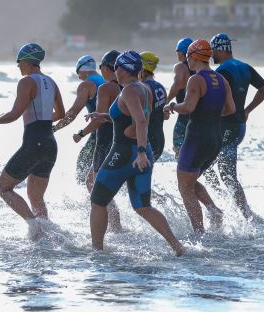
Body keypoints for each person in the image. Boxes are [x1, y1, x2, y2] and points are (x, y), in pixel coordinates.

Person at [89, 51, 184, 255]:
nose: (115, 71)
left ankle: (96, 250)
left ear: (123, 69)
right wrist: (105, 116)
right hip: (143, 151)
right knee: (143, 207)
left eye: (117, 67)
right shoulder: (143, 88)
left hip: (126, 152)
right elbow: (130, 116)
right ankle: (177, 247)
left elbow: (140, 120)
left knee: (97, 201)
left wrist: (139, 152)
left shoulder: (130, 91)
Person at [0, 43, 65, 239]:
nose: (18, 67)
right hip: (50, 143)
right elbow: (61, 114)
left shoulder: (27, 82)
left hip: (34, 142)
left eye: (19, 63)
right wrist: (44, 118)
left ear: (27, 62)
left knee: (3, 188)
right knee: (36, 198)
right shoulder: (51, 82)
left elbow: (14, 113)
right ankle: (45, 235)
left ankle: (34, 225)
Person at [164, 40, 235, 234]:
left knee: (184, 186)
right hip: (215, 139)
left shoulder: (195, 79)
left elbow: (187, 107)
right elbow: (231, 109)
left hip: (196, 137)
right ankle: (214, 211)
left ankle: (199, 233)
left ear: (195, 56)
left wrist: (170, 107)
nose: (187, 59)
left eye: (188, 56)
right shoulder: (221, 79)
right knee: (191, 180)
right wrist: (210, 114)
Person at [204, 33, 264, 219]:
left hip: (226, 127)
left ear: (220, 49)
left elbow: (215, 101)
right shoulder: (245, 67)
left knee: (223, 172)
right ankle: (233, 206)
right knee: (215, 168)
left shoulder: (222, 71)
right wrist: (248, 109)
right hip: (239, 126)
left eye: (213, 51)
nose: (211, 56)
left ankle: (242, 211)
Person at [76, 50, 123, 231]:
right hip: (122, 140)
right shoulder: (128, 87)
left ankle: (113, 227)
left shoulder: (105, 87)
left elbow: (100, 119)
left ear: (104, 68)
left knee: (95, 186)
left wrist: (80, 133)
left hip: (104, 141)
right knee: (95, 182)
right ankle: (115, 225)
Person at [53, 55, 105, 184]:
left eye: (78, 73)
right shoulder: (104, 81)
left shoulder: (87, 84)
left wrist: (55, 128)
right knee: (106, 174)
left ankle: (97, 204)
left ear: (84, 70)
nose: (78, 77)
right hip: (116, 133)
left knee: (82, 171)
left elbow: (72, 113)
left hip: (100, 134)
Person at [166, 37, 194, 159]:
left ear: (181, 52)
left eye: (177, 51)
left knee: (179, 148)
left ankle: (183, 175)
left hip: (184, 113)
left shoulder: (180, 67)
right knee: (197, 151)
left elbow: (178, 84)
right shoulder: (199, 68)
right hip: (198, 114)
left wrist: (166, 101)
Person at [139, 51, 167, 161]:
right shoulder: (161, 87)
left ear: (142, 69)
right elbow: (163, 114)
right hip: (159, 139)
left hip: (148, 140)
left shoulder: (143, 88)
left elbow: (140, 118)